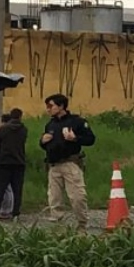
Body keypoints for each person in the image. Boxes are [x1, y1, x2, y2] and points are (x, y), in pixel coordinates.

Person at [40, 93, 96, 230]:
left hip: (70, 163)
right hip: (53, 165)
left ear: (61, 106)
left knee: (77, 196)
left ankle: (82, 224)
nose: (48, 109)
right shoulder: (50, 125)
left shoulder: (77, 121)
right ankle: (57, 226)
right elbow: (45, 145)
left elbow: (91, 139)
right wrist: (42, 141)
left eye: (51, 106)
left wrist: (75, 138)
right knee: (54, 198)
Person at [0, 108, 27, 219]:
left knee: (0, 189)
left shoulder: (3, 129)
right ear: (20, 116)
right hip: (19, 162)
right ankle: (15, 212)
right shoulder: (24, 129)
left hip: (4, 162)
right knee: (17, 189)